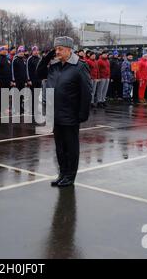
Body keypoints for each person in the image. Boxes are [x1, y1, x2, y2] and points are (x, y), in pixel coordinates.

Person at [36, 36, 92, 188]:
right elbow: (39, 73)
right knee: (60, 147)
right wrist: (47, 57)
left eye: (60, 48)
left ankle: (70, 176)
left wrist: (83, 113)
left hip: (71, 113)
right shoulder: (54, 65)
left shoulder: (79, 66)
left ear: (69, 50)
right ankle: (62, 173)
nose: (57, 51)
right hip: (55, 113)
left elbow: (87, 92)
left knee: (71, 147)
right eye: (56, 49)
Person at [0, 45, 13, 116]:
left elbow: (10, 71)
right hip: (0, 80)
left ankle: (5, 108)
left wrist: (11, 80)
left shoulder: (8, 59)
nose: (5, 51)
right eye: (3, 50)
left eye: (6, 50)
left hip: (7, 80)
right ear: (0, 51)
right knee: (0, 95)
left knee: (6, 95)